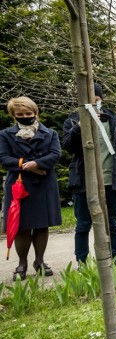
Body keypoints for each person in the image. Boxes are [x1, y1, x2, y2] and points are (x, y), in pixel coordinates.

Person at [62, 83, 116, 266]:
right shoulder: (72, 120)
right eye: (87, 100)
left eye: (96, 100)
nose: (92, 104)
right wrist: (80, 125)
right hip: (84, 181)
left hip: (111, 180)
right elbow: (68, 146)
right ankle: (82, 265)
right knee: (83, 225)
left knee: (112, 224)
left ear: (101, 99)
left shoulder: (115, 121)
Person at [0, 97, 62, 280]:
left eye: (28, 113)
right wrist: (26, 164)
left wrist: (39, 164)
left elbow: (55, 154)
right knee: (21, 226)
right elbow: (3, 157)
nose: (25, 117)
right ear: (13, 116)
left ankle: (40, 261)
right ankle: (22, 264)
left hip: (44, 183)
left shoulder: (50, 133)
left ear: (36, 113)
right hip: (19, 184)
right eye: (20, 114)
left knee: (42, 225)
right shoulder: (5, 134)